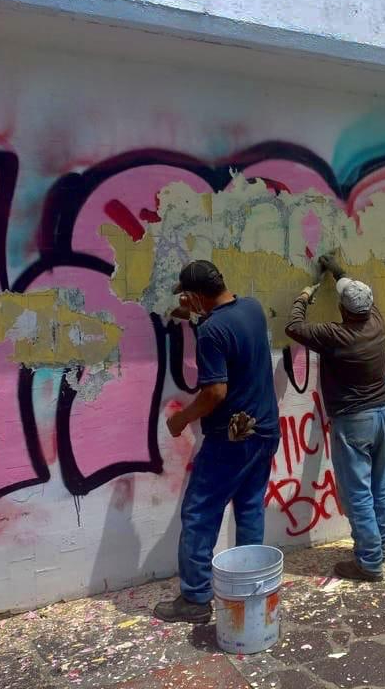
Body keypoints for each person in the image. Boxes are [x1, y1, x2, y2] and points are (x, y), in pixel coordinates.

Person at [153, 260, 280, 624]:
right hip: (265, 430)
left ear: (195, 295)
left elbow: (215, 392)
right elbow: (231, 334)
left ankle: (195, 599)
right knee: (250, 509)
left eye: (187, 296)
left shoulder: (211, 331)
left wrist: (181, 419)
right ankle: (250, 585)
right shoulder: (252, 308)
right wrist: (196, 316)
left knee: (199, 513)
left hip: (231, 438)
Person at [284, 255, 385, 582]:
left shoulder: (336, 336)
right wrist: (339, 271)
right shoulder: (377, 321)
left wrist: (305, 295)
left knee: (357, 493)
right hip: (383, 413)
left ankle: (369, 561)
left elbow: (293, 326)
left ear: (343, 311)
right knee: (379, 487)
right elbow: (353, 291)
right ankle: (382, 546)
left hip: (354, 421)